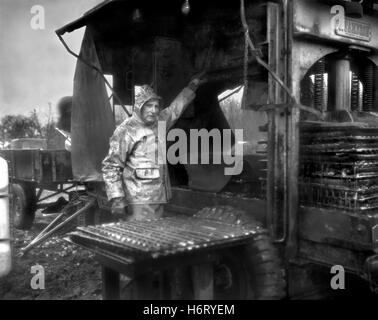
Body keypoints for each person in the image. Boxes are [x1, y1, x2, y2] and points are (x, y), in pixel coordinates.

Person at [102, 74, 205, 221]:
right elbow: (111, 166)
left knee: (151, 234)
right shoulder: (127, 130)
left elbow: (175, 109)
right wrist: (117, 197)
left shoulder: (159, 122)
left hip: (157, 196)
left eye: (156, 106)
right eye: (149, 106)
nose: (153, 110)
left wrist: (191, 87)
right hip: (137, 198)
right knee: (139, 235)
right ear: (139, 107)